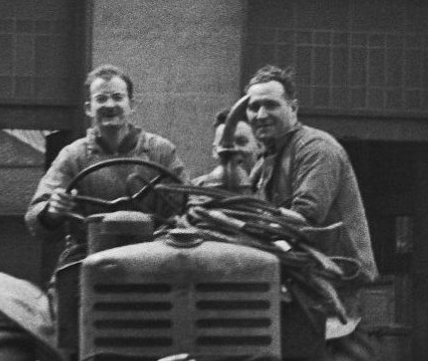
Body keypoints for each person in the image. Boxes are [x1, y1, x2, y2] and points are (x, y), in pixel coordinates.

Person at [243, 64, 376, 291]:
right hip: (300, 281)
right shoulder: (268, 157)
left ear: (293, 108)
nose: (261, 115)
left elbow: (305, 219)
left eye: (271, 105)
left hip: (335, 285)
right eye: (254, 107)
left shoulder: (317, 149)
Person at [26, 64, 187, 235]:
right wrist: (52, 211)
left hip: (152, 250)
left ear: (131, 105)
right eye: (101, 98)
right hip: (87, 252)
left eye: (118, 97)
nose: (110, 105)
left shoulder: (160, 151)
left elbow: (187, 199)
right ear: (89, 108)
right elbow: (35, 215)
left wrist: (179, 220)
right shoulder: (73, 156)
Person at [194, 107, 266, 190]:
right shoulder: (196, 190)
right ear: (215, 151)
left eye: (241, 142)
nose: (232, 151)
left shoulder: (273, 189)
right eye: (225, 145)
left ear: (259, 146)